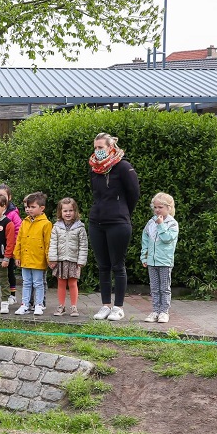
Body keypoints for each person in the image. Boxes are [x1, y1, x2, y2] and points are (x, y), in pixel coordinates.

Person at [89, 133, 140, 321]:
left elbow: (134, 194)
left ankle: (118, 307)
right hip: (96, 222)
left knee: (117, 265)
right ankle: (105, 305)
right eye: (95, 147)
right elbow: (95, 194)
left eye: (101, 147)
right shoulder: (94, 169)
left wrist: (122, 213)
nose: (97, 151)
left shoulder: (124, 167)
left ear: (111, 147)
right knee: (103, 266)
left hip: (118, 223)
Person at [140, 192, 179, 323]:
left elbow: (167, 238)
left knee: (165, 288)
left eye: (160, 207)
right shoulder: (150, 222)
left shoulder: (172, 224)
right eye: (155, 207)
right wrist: (144, 256)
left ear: (168, 208)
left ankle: (164, 312)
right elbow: (145, 239)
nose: (157, 210)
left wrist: (161, 224)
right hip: (152, 261)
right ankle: (155, 311)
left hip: (165, 262)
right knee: (154, 288)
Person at [13, 192, 52, 316]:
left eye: (32, 207)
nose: (29, 209)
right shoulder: (25, 222)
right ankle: (25, 304)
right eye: (28, 207)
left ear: (42, 208)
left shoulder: (46, 224)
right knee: (26, 283)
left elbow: (48, 243)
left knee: (38, 283)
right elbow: (19, 240)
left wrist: (48, 259)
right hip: (25, 259)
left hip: (38, 260)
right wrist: (17, 256)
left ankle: (39, 305)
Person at [48, 197, 88, 317]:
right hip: (60, 260)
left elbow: (83, 245)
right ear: (60, 212)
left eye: (70, 210)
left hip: (73, 260)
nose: (68, 213)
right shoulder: (56, 227)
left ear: (75, 211)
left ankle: (74, 307)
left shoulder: (80, 228)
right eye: (65, 211)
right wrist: (53, 258)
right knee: (61, 283)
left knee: (72, 283)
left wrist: (81, 260)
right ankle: (61, 306)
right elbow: (53, 243)